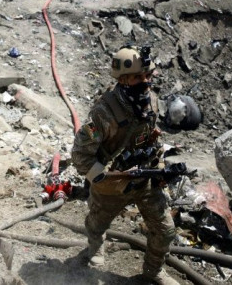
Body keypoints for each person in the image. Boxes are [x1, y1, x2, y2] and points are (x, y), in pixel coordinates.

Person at [72, 46, 179, 285]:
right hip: (112, 183)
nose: (146, 81)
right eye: (139, 77)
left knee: (166, 230)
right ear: (123, 79)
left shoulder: (151, 100)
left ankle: (153, 272)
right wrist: (103, 178)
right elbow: (80, 154)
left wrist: (159, 167)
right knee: (97, 224)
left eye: (148, 76)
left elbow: (152, 136)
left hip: (145, 179)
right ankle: (95, 248)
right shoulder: (103, 112)